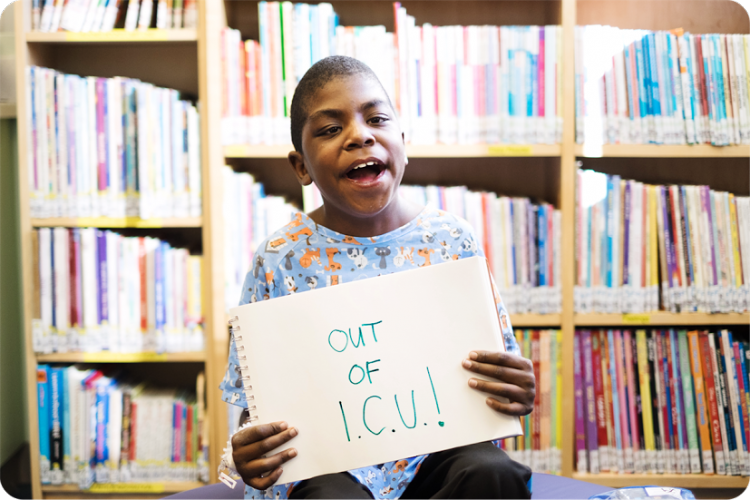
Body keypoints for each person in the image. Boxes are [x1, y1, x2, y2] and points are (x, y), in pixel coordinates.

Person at [220, 55, 535, 500]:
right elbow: (256, 412)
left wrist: (514, 391)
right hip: (331, 471)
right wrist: (251, 450)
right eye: (330, 129)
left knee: (491, 472)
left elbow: (497, 372)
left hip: (437, 462)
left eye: (377, 119)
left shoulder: (451, 241)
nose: (360, 135)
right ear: (301, 167)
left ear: (402, 141)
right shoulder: (278, 260)